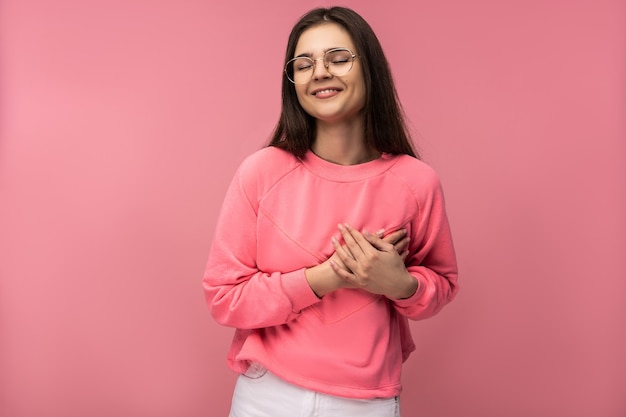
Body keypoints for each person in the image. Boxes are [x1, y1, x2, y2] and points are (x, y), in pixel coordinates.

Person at [203, 6, 459, 417]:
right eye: (303, 64)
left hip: (367, 403)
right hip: (267, 396)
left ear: (370, 70)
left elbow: (441, 283)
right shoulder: (261, 172)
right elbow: (224, 298)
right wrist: (328, 276)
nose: (320, 72)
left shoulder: (416, 182)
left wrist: (400, 284)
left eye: (338, 58)